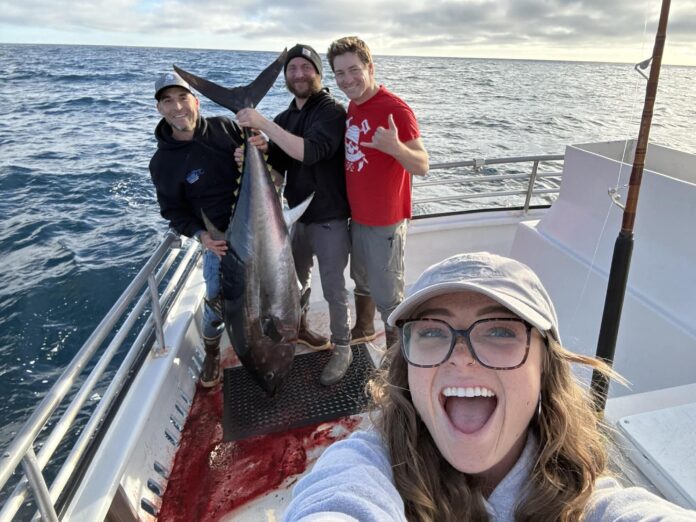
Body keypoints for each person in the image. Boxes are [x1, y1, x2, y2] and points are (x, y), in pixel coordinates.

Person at [283, 252, 696, 521]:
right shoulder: (369, 465)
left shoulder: (591, 501)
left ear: (544, 367)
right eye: (432, 331)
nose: (461, 357)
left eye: (499, 331)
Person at [236, 44, 353, 386]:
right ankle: (297, 328)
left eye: (306, 67)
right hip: (293, 218)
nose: (299, 74)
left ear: (318, 73)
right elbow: (278, 169)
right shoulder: (286, 118)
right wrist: (255, 155)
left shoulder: (331, 111)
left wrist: (263, 124)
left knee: (334, 289)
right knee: (291, 285)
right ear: (286, 77)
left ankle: (343, 347)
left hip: (329, 217)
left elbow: (311, 152)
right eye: (292, 68)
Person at [326, 36, 429, 350]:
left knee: (388, 294)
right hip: (357, 215)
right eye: (340, 73)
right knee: (361, 279)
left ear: (370, 68)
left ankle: (397, 355)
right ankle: (363, 327)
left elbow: (422, 165)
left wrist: (396, 148)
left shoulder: (395, 109)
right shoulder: (354, 106)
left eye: (354, 70)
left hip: (385, 221)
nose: (347, 80)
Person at [149, 71, 244, 388]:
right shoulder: (162, 163)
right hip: (217, 242)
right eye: (168, 101)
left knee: (276, 287)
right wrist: (202, 236)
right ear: (159, 109)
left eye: (183, 98)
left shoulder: (225, 127)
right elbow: (172, 211)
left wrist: (257, 148)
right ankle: (212, 351)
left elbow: (263, 159)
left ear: (196, 101)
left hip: (255, 230)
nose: (177, 107)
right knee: (215, 300)